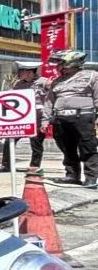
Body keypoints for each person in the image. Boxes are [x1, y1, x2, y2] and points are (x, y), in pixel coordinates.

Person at [43, 49, 98, 188]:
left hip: (83, 117)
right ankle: (72, 175)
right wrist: (45, 120)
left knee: (87, 147)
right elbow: (49, 102)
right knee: (67, 148)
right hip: (61, 118)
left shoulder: (91, 76)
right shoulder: (56, 82)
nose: (58, 66)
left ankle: (91, 177)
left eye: (61, 63)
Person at [0, 61, 47, 173]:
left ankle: (34, 166)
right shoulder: (18, 84)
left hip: (37, 117)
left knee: (36, 143)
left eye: (21, 71)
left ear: (29, 72)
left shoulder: (44, 82)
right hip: (22, 118)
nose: (19, 73)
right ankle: (6, 165)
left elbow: (54, 96)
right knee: (10, 140)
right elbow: (9, 96)